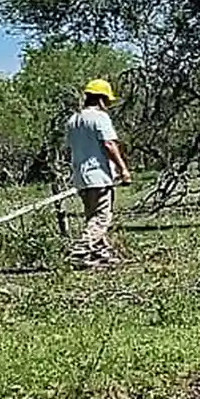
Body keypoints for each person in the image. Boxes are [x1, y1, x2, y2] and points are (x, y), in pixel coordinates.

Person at [65, 78, 132, 269]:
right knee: (102, 217)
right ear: (101, 99)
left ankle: (101, 254)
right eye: (107, 101)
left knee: (92, 217)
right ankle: (80, 250)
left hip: (80, 176)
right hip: (98, 176)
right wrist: (123, 169)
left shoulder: (73, 120)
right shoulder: (100, 118)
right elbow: (109, 144)